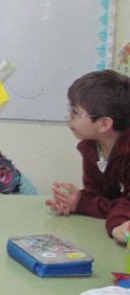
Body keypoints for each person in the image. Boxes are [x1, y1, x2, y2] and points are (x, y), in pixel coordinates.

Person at [46, 70, 130, 240]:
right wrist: (74, 201)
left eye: (75, 113)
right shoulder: (91, 148)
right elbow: (99, 196)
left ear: (103, 124)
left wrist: (83, 204)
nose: (68, 117)